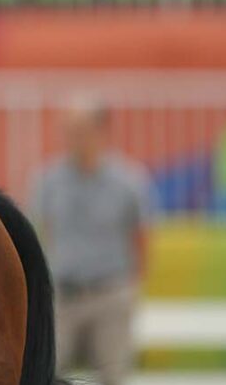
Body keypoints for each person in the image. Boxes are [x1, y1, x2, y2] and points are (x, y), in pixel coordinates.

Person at [29, 95, 152, 385]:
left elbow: (142, 238)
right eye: (69, 131)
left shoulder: (129, 181)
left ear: (102, 130)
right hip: (63, 297)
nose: (73, 139)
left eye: (80, 130)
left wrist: (131, 288)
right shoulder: (48, 181)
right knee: (46, 372)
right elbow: (43, 232)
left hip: (111, 293)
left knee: (113, 377)